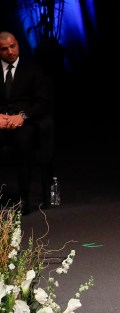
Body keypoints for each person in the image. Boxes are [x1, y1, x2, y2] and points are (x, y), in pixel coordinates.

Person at [0, 31, 54, 215]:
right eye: (4, 49)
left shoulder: (32, 69)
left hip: (23, 121)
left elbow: (42, 101)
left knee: (24, 143)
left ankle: (24, 198)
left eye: (12, 46)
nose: (9, 51)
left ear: (18, 45)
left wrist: (22, 116)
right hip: (0, 121)